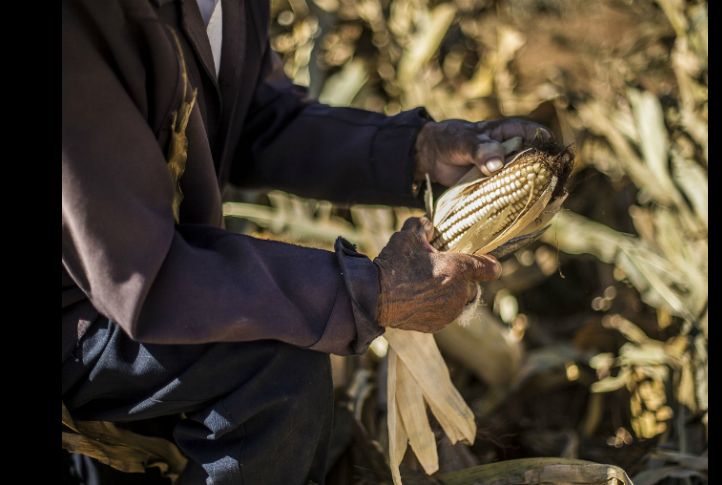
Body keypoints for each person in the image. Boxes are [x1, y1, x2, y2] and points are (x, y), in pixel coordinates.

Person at [62, 0, 553, 483]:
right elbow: (141, 276)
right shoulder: (81, 27)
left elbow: (260, 118)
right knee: (274, 371)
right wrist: (368, 291)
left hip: (142, 279)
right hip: (85, 309)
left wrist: (415, 150)